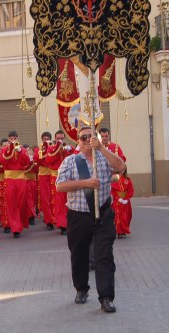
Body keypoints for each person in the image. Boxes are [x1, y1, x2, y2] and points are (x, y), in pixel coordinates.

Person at [56, 125, 125, 313]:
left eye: (90, 136)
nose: (87, 140)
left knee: (104, 255)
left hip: (102, 213)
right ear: (78, 140)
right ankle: (81, 289)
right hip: (78, 215)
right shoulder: (70, 161)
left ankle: (106, 297)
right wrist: (84, 183)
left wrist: (101, 147)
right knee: (79, 254)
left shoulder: (103, 157)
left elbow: (121, 167)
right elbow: (60, 186)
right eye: (83, 137)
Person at [0, 131, 31, 238]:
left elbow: (27, 163)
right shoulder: (4, 150)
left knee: (21, 203)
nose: (13, 140)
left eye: (15, 138)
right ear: (8, 139)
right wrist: (9, 149)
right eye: (11, 138)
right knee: (11, 204)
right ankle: (15, 228)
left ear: (18, 138)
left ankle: (19, 223)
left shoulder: (23, 150)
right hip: (9, 179)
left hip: (20, 179)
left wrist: (20, 152)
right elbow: (2, 161)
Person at [47, 130, 74, 235]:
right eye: (58, 138)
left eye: (62, 138)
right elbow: (49, 160)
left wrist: (69, 150)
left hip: (68, 177)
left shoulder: (68, 148)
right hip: (56, 177)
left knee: (70, 201)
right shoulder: (51, 148)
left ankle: (70, 223)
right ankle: (62, 225)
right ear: (55, 138)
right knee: (59, 202)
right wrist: (58, 149)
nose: (60, 140)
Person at [34, 132, 54, 230]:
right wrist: (43, 150)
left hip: (52, 175)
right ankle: (48, 221)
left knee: (53, 198)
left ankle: (55, 218)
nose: (46, 140)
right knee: (45, 199)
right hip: (43, 176)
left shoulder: (53, 147)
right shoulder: (39, 149)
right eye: (44, 139)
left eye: (47, 139)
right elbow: (37, 159)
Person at [111, 170, 134, 238]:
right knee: (117, 216)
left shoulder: (127, 179)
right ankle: (119, 232)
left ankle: (123, 230)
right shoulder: (113, 179)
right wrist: (118, 198)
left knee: (126, 216)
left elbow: (131, 190)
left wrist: (127, 199)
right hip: (117, 201)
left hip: (126, 202)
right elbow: (111, 190)